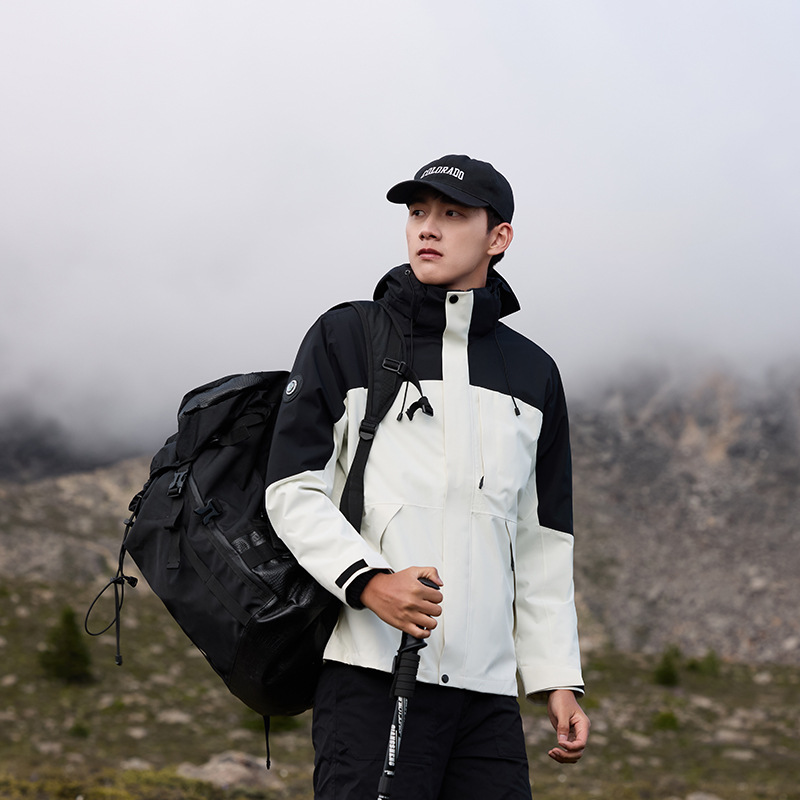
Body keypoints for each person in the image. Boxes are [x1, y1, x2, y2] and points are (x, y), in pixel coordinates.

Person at [265, 154, 590, 799]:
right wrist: (369, 582)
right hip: (369, 676)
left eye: (453, 214)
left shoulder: (535, 373)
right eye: (417, 212)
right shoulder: (347, 336)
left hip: (488, 698)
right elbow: (291, 491)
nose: (427, 228)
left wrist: (556, 677)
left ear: (498, 237)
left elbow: (542, 539)